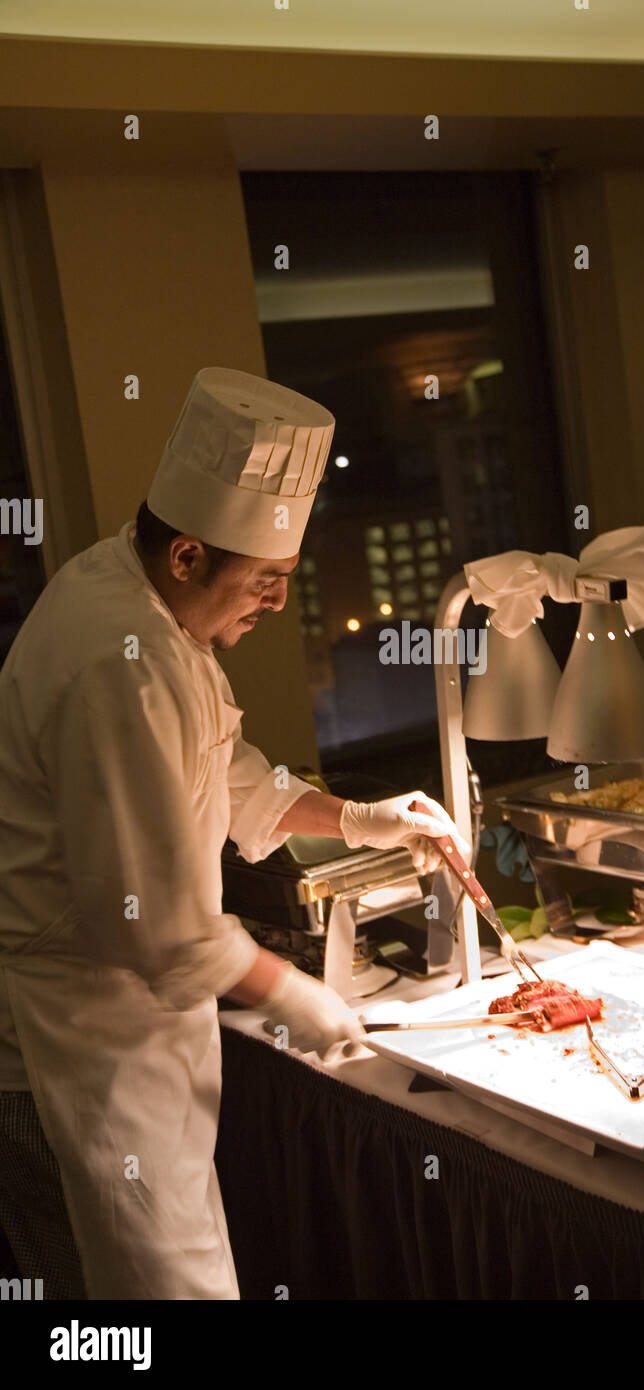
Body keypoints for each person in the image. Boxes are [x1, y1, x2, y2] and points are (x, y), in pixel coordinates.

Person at [0, 367, 469, 1300]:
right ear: (185, 558)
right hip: (71, 1045)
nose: (275, 607)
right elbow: (159, 923)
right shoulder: (118, 662)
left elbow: (220, 768)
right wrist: (297, 993)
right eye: (264, 584)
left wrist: (356, 818)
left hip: (127, 1033)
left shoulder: (144, 603)